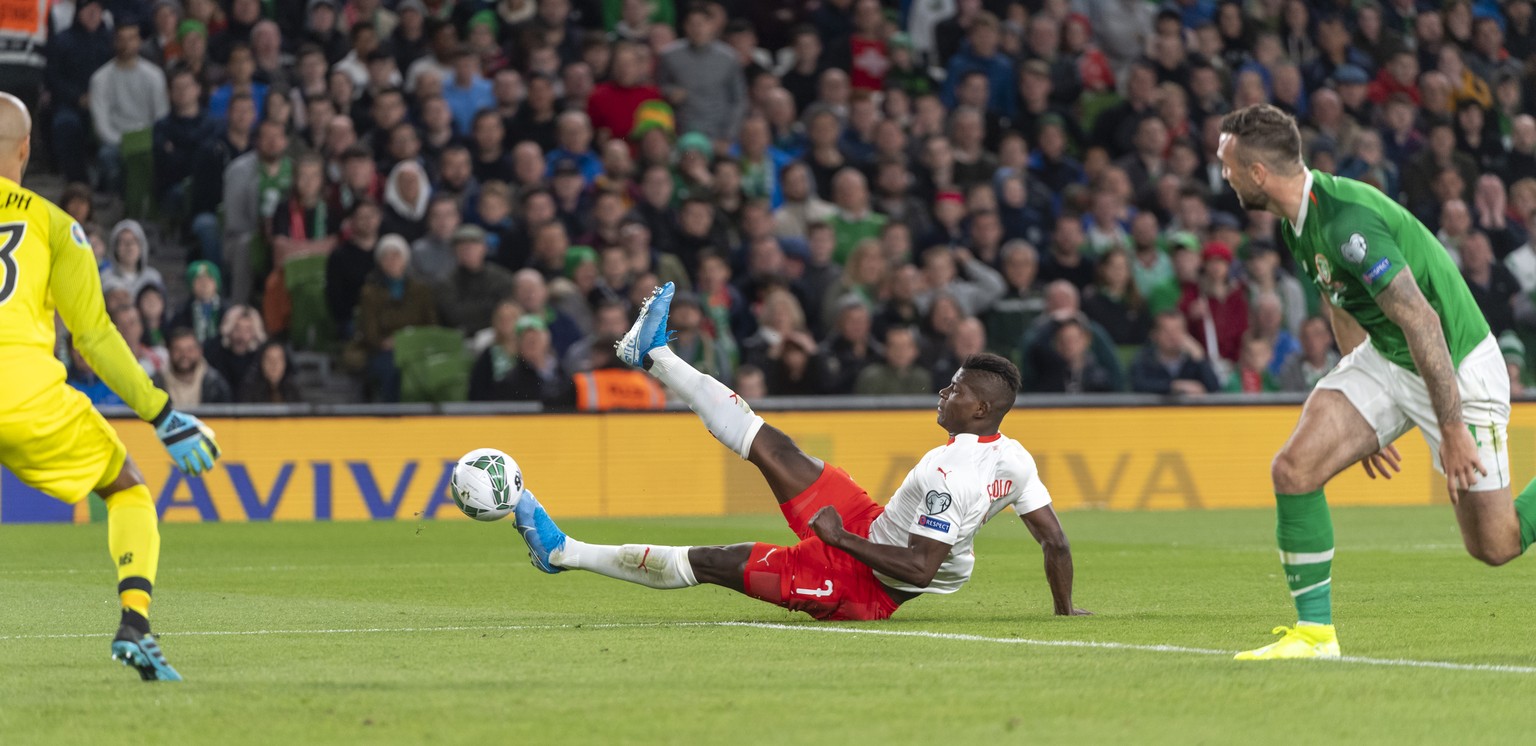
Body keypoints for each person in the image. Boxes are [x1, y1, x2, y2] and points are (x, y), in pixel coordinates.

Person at [507, 282, 1088, 622]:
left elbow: (919, 567)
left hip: (860, 585)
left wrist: (838, 541)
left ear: (981, 409)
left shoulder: (947, 471)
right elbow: (1054, 541)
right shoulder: (1014, 457)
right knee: (770, 443)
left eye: (957, 389)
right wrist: (1065, 612)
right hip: (873, 523)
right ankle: (653, 353)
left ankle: (563, 554)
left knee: (714, 561)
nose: (945, 392)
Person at [1218, 104, 1536, 661]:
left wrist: (1452, 426)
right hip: (1388, 358)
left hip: (1456, 365)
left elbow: (1423, 320)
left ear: (1258, 174)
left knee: (1496, 544)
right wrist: (1361, 407)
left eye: (1228, 165)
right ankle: (1315, 638)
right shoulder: (1300, 221)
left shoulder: (1346, 222)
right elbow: (1339, 299)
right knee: (1294, 470)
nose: (1224, 175)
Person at [0, 92, 219, 681]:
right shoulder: (54, 225)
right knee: (127, 490)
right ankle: (135, 624)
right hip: (24, 395)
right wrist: (163, 414)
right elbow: (94, 336)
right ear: (25, 150)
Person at [154, 327, 235, 407]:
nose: (184, 355)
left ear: (200, 351)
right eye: (178, 350)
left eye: (190, 350)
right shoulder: (156, 384)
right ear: (169, 352)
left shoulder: (216, 384)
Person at [1278, 316, 1340, 392]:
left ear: (1329, 337)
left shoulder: (1342, 366)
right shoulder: (1290, 370)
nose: (1311, 340)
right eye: (1306, 336)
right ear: (1300, 340)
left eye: (1316, 334)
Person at [238, 340, 303, 403]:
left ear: (286, 363)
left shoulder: (296, 391)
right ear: (261, 363)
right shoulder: (248, 392)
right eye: (269, 359)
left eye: (278, 359)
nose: (274, 364)